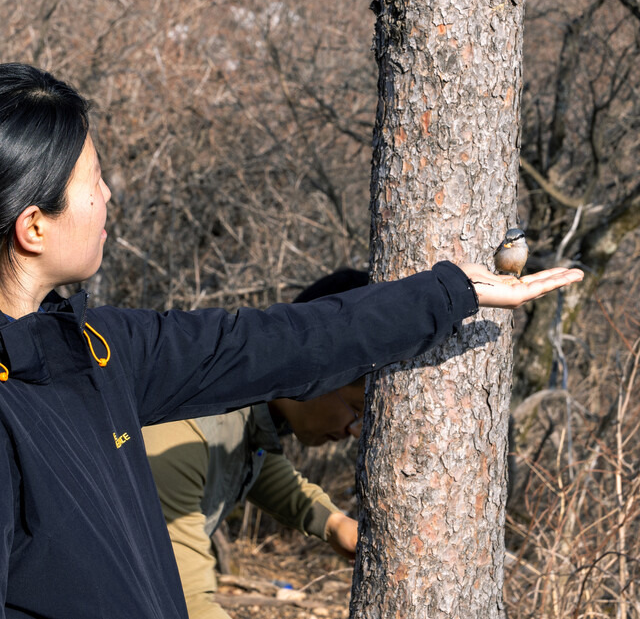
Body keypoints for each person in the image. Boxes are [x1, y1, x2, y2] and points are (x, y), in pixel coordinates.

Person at [0, 63, 584, 619]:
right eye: (91, 181)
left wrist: (448, 293)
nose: (107, 195)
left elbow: (286, 340)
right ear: (33, 227)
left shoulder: (99, 350)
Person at [143, 269, 369, 619]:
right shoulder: (187, 429)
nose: (356, 432)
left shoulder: (243, 407)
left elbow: (255, 463)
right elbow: (185, 601)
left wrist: (331, 522)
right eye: (356, 410)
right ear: (315, 368)